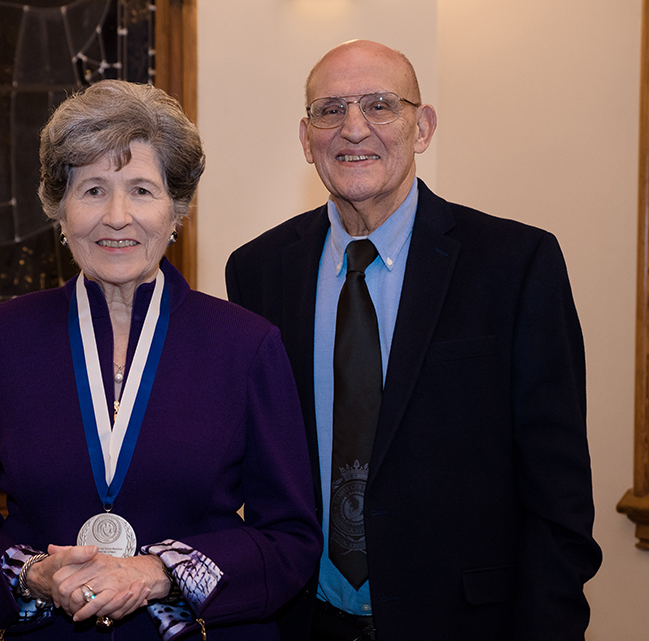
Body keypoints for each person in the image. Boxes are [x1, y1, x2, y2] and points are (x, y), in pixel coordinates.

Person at [225, 40, 602, 641]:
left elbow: (559, 495)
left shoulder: (515, 264)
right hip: (300, 621)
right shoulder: (257, 271)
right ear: (305, 138)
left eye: (379, 105)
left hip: (465, 623)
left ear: (421, 126)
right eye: (330, 110)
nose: (353, 129)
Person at [0, 79, 322, 641]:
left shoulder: (246, 345)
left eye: (140, 189)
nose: (116, 216)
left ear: (175, 209)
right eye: (91, 190)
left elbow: (290, 538)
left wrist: (161, 572)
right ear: (59, 210)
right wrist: (34, 575)